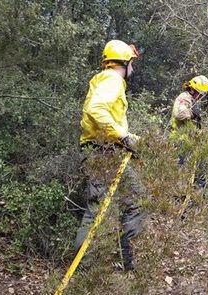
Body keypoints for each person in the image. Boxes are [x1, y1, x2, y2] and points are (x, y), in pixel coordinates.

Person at [75, 40, 145, 271]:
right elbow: (95, 109)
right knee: (98, 210)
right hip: (103, 152)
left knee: (136, 199)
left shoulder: (105, 80)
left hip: (107, 150)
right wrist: (123, 137)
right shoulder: (112, 79)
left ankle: (127, 262)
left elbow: (107, 118)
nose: (133, 69)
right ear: (124, 63)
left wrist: (129, 137)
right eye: (132, 64)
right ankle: (84, 270)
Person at [170, 75, 208, 187]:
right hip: (180, 140)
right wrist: (192, 113)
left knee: (198, 168)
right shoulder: (184, 98)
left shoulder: (192, 100)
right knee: (179, 170)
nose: (200, 96)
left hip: (189, 141)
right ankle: (178, 195)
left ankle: (197, 191)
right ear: (192, 89)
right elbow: (179, 114)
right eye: (199, 93)